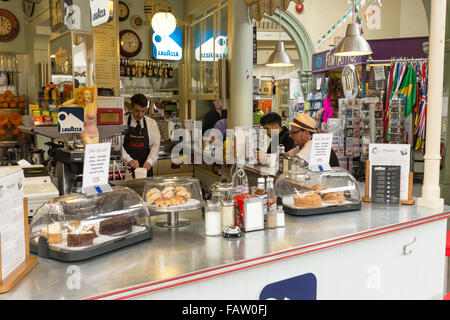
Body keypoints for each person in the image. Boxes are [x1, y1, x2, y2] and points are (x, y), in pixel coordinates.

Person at [121, 94, 161, 177]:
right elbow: (118, 146)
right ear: (131, 108)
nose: (140, 115)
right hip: (127, 168)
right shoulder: (122, 122)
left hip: (146, 168)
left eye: (143, 111)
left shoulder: (152, 123)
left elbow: (155, 145)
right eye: (137, 111)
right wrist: (129, 160)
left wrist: (150, 161)